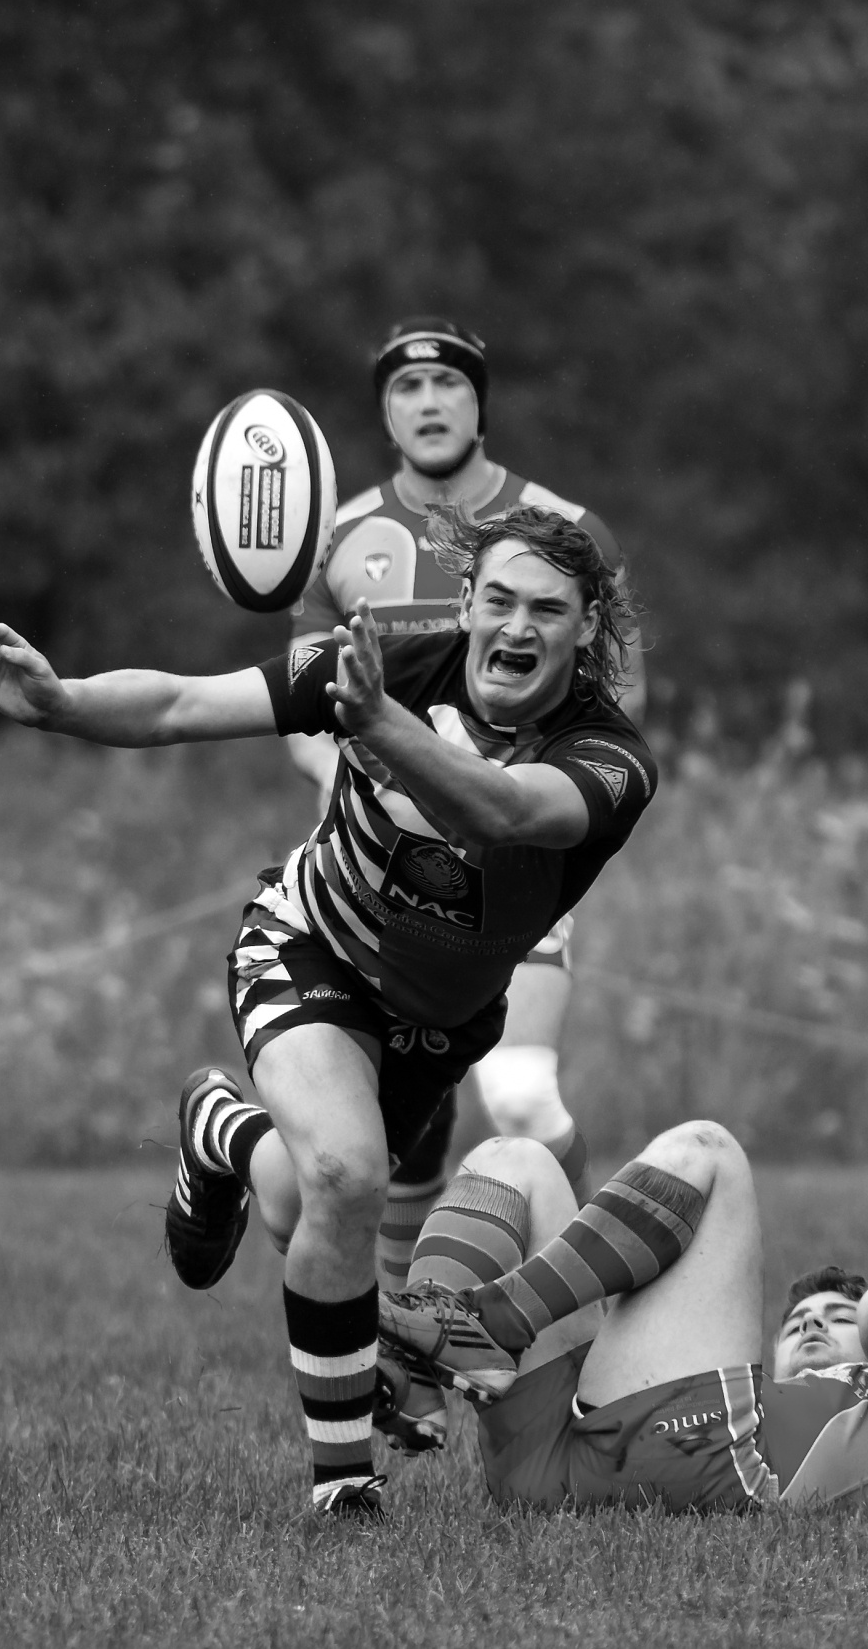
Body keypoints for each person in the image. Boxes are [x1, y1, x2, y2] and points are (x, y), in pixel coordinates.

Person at [0, 501, 655, 1516]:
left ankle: (221, 1130)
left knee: (304, 1202)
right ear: (463, 603)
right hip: (308, 948)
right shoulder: (375, 664)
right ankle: (343, 1486)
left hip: (436, 1026)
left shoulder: (613, 758)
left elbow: (500, 811)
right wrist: (62, 701)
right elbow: (180, 704)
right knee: (345, 1172)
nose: (517, 625)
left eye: (548, 608)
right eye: (497, 598)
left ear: (587, 628)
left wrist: (374, 722)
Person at [287, 318, 642, 1288]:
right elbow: (303, 704)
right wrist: (348, 784)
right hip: (381, 862)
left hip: (516, 862)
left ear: (481, 403)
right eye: (406, 387)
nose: (430, 401)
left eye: (450, 382)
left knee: (519, 1094)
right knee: (395, 1121)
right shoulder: (336, 539)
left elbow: (620, 704)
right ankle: (403, 1320)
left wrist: (542, 804)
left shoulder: (567, 528)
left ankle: (579, 1292)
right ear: (384, 412)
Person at [372, 1121, 868, 1510]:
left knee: (711, 1150)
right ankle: (418, 1363)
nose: (811, 1323)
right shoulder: (758, 1388)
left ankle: (491, 1319)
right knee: (513, 1158)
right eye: (796, 1321)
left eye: (839, 1318)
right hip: (541, 1467)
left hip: (704, 1463)